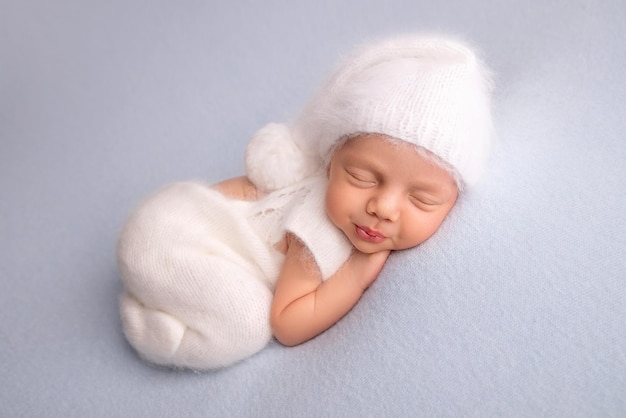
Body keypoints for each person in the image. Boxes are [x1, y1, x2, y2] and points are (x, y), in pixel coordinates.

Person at [116, 34, 494, 370]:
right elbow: (288, 324)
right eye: (362, 178)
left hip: (169, 213)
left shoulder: (322, 190)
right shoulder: (318, 231)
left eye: (422, 199)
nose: (384, 207)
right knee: (246, 325)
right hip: (169, 241)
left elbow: (245, 190)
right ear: (330, 162)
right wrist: (356, 275)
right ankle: (155, 326)